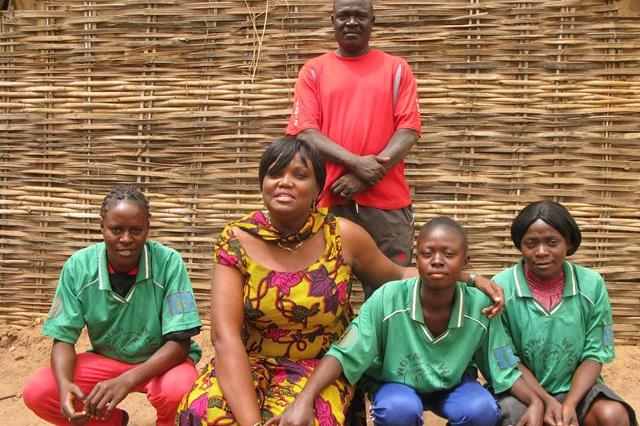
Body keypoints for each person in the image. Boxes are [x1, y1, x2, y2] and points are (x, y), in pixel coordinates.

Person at [175, 138, 502, 425]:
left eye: (299, 175)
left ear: (318, 189)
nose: (285, 182)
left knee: (302, 421)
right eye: (275, 174)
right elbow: (225, 337)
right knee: (203, 412)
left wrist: (469, 277)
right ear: (263, 184)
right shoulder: (237, 240)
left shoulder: (342, 236)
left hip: (320, 368)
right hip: (248, 362)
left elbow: (400, 274)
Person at [272, 217, 543, 426]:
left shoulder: (480, 306)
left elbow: (503, 361)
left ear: (466, 261)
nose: (437, 261)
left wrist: (535, 401)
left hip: (453, 385)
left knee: (481, 409)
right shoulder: (388, 298)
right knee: (399, 410)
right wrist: (303, 399)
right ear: (417, 259)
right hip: (396, 385)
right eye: (428, 253)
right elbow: (345, 352)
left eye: (449, 254)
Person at [22, 186, 202, 426]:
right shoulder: (78, 267)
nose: (126, 239)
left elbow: (180, 343)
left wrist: (127, 380)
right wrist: (64, 385)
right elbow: (63, 339)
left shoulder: (169, 263)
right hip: (107, 359)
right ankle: (111, 422)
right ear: (102, 227)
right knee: (40, 392)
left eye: (136, 230)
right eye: (116, 229)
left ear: (148, 228)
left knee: (181, 390)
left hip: (162, 363)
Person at [285, 0, 422, 291]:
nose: (351, 22)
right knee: (324, 291)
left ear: (373, 21)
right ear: (332, 20)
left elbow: (408, 131)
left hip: (387, 205)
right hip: (329, 200)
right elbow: (306, 133)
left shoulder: (397, 69)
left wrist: (366, 177)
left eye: (359, 16)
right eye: (344, 16)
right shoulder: (314, 71)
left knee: (390, 292)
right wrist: (358, 164)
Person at [493, 200, 637, 426]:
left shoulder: (592, 284)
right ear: (520, 245)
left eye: (552, 242)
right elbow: (505, 359)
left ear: (568, 242)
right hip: (522, 391)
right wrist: (545, 401)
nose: (542, 252)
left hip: (576, 388)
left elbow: (596, 352)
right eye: (531, 243)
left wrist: (570, 403)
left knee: (613, 415)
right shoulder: (501, 287)